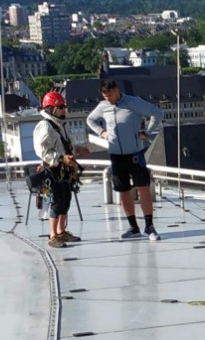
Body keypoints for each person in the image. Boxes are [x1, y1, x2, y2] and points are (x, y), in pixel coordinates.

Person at [87, 78, 162, 241]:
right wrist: (102, 132)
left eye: (110, 94)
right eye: (105, 95)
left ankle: (149, 227)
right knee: (123, 190)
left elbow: (157, 113)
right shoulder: (103, 106)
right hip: (116, 155)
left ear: (117, 90)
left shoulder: (133, 102)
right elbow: (90, 120)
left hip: (135, 153)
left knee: (142, 187)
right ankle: (133, 227)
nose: (108, 98)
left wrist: (147, 132)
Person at [35, 89, 81, 248]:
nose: (64, 110)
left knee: (66, 199)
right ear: (51, 109)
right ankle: (53, 235)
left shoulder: (60, 125)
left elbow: (65, 145)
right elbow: (42, 150)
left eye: (64, 107)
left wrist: (74, 156)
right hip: (53, 169)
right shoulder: (45, 126)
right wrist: (61, 158)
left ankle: (61, 231)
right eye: (60, 107)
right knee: (57, 201)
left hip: (64, 168)